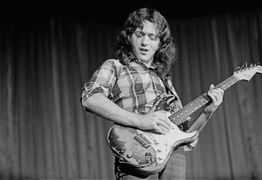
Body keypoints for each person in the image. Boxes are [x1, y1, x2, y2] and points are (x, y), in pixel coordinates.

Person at [80, 7, 224, 180]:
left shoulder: (165, 79)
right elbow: (90, 98)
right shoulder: (116, 66)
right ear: (129, 37)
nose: (145, 42)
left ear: (160, 43)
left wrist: (207, 112)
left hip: (173, 157)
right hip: (137, 153)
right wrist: (141, 120)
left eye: (152, 37)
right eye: (139, 34)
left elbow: (184, 137)